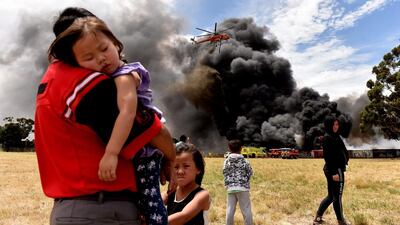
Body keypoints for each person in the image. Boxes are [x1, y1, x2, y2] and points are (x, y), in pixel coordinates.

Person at [35, 7, 174, 225]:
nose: (100, 59)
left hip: (74, 209)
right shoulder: (85, 84)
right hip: (102, 210)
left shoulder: (52, 80)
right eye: (89, 54)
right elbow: (151, 132)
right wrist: (172, 155)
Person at [313, 116, 350, 225]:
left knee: (331, 196)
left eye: (337, 124)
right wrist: (334, 173)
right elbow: (328, 157)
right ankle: (341, 220)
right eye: (334, 124)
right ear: (329, 125)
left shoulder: (336, 136)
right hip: (335, 170)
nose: (336, 126)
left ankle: (318, 218)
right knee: (337, 197)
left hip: (335, 169)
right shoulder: (328, 138)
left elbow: (341, 151)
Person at [163, 143, 211, 225]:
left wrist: (154, 221)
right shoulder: (168, 194)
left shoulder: (202, 195)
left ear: (198, 169)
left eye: (186, 166)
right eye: (176, 167)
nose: (180, 172)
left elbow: (183, 216)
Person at [223, 139, 253, 225]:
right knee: (246, 209)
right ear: (241, 148)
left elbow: (224, 172)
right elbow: (250, 172)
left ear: (229, 148)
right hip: (243, 188)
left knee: (230, 209)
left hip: (230, 188)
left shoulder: (226, 161)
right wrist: (245, 180)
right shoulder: (245, 161)